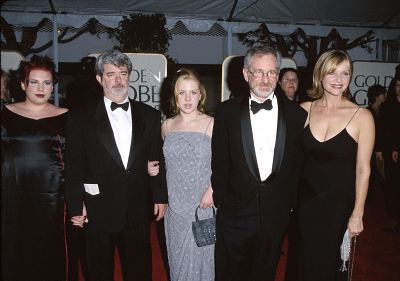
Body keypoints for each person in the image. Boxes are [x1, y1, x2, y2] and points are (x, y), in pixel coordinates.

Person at [65, 49, 168, 281]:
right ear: (99, 79)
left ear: (129, 76)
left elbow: (156, 158)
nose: (118, 80)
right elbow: (74, 167)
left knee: (139, 271)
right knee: (98, 272)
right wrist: (75, 205)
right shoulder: (80, 117)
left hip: (137, 209)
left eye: (123, 73)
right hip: (98, 210)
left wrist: (160, 195)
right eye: (111, 74)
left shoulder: (149, 115)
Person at [211, 46, 307, 281]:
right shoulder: (226, 112)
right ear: (246, 74)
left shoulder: (297, 116)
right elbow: (220, 161)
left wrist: (289, 205)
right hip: (235, 213)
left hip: (275, 215)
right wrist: (222, 202)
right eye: (258, 72)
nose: (265, 79)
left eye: (272, 72)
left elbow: (297, 164)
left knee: (266, 273)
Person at [297, 50, 375, 281]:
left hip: (339, 208)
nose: (339, 79)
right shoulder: (304, 110)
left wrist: (358, 213)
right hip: (305, 205)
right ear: (320, 75)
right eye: (332, 72)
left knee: (334, 268)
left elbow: (364, 169)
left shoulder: (362, 116)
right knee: (303, 263)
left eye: (345, 73)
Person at [1, 55, 68, 281]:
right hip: (10, 198)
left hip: (54, 201)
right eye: (34, 82)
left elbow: (80, 160)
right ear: (22, 84)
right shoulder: (4, 115)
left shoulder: (68, 118)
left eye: (47, 83)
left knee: (50, 256)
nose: (41, 88)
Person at [148, 68, 214, 281]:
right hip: (175, 209)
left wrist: (212, 190)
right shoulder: (167, 126)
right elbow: (162, 162)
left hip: (202, 205)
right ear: (175, 96)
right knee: (176, 261)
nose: (188, 98)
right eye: (182, 93)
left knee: (204, 260)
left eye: (193, 92)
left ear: (200, 94)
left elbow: (225, 164)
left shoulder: (212, 124)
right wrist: (151, 168)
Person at [377, 68, 400, 234]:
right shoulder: (387, 106)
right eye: (398, 85)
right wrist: (381, 149)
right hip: (389, 153)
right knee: (392, 186)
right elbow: (383, 130)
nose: (399, 88)